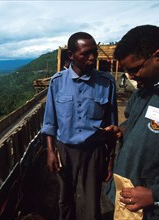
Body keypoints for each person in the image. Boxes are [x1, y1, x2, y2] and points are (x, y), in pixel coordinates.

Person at [105, 25, 159, 219]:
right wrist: (123, 130)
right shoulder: (146, 87)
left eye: (134, 69)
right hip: (130, 206)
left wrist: (156, 195)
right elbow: (135, 121)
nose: (130, 77)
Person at [41, 32, 118, 220]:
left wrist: (110, 160)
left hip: (94, 152)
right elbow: (50, 121)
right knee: (65, 198)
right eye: (85, 54)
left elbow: (112, 126)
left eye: (94, 53)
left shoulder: (106, 83)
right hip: (65, 150)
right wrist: (51, 151)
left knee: (92, 202)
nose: (92, 58)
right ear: (71, 56)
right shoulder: (57, 83)